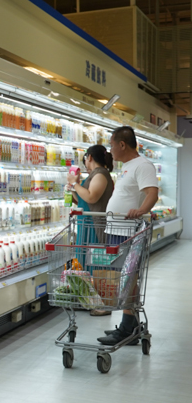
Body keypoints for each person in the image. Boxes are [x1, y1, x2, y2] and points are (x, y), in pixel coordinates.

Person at [97, 126, 159, 346]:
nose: (110, 149)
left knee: (128, 279)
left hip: (128, 232)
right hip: (117, 230)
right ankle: (130, 325)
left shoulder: (142, 165)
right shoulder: (128, 167)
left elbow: (152, 193)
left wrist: (141, 210)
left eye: (112, 144)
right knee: (125, 279)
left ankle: (126, 328)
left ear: (122, 144)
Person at [66, 145, 115, 316]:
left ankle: (101, 304)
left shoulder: (101, 174)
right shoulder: (93, 175)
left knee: (95, 263)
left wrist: (75, 183)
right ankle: (91, 300)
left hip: (94, 225)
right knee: (86, 262)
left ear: (90, 157)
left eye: (85, 158)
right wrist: (72, 190)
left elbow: (92, 196)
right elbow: (83, 199)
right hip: (85, 223)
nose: (85, 162)